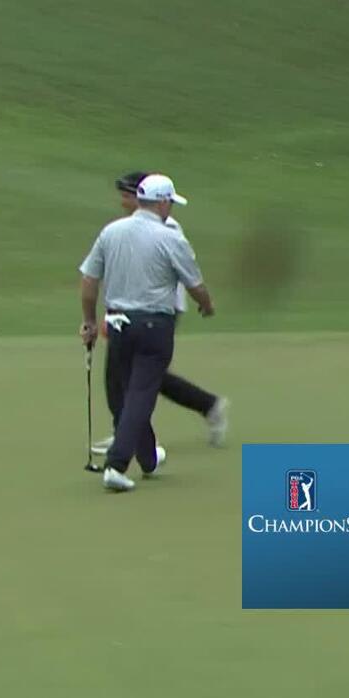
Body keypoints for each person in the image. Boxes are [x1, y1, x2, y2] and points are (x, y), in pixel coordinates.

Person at [79, 174, 215, 492]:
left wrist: (88, 321)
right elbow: (195, 284)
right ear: (162, 202)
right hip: (154, 327)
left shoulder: (111, 231)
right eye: (171, 203)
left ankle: (148, 457)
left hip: (117, 324)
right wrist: (206, 305)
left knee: (123, 394)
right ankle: (116, 465)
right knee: (140, 394)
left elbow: (89, 280)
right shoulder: (170, 237)